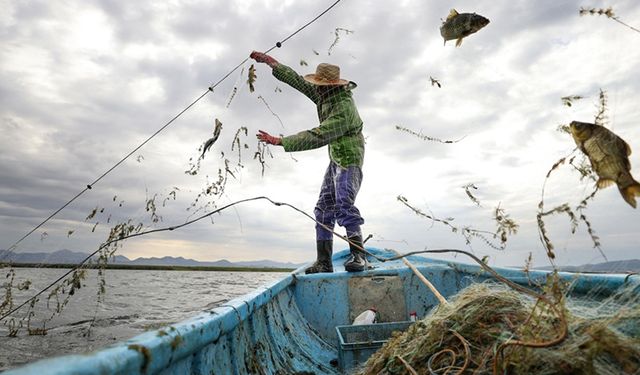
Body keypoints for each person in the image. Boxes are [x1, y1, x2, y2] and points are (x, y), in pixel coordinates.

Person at [250, 51, 366, 273]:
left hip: (350, 158)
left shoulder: (344, 109)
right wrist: (271, 63)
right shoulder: (325, 94)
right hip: (335, 159)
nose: (317, 89)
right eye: (317, 85)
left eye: (321, 85)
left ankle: (359, 256)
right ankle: (324, 263)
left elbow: (318, 135)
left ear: (333, 85)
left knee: (344, 203)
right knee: (323, 207)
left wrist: (280, 141)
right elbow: (297, 81)